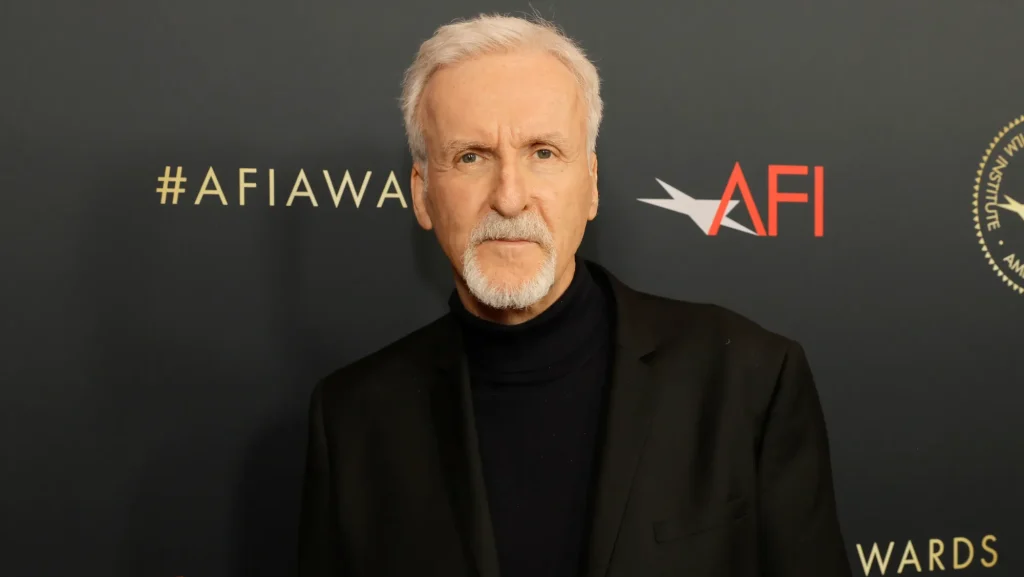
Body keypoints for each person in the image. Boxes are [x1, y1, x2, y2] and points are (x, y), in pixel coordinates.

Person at [297, 12, 852, 577]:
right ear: (422, 195)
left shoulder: (750, 379)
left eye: (543, 153)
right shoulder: (352, 421)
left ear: (591, 185)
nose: (509, 198)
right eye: (471, 156)